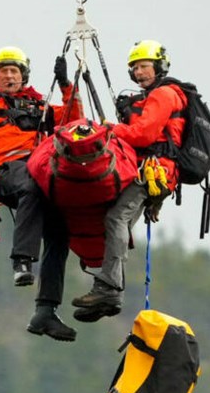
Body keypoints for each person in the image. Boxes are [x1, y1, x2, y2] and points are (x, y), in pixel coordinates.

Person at [0, 45, 84, 340]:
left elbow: (73, 121)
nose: (9, 76)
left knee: (59, 231)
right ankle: (21, 261)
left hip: (37, 171)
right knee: (31, 184)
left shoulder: (40, 107)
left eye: (14, 71)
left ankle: (45, 311)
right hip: (3, 171)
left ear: (23, 76)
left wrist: (65, 85)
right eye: (3, 72)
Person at [72, 40, 187, 322]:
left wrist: (111, 129)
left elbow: (144, 135)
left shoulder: (163, 95)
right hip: (155, 170)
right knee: (116, 220)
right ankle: (111, 294)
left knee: (115, 219)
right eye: (135, 68)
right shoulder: (159, 95)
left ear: (159, 66)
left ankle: (109, 287)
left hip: (154, 168)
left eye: (144, 66)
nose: (139, 72)